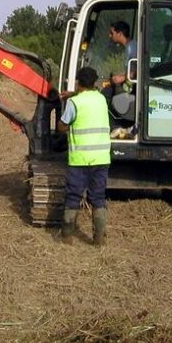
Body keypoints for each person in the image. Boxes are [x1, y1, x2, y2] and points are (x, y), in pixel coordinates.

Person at [57, 66, 111, 246]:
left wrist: (69, 100)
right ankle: (98, 240)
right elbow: (88, 97)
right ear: (94, 82)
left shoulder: (74, 103)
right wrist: (72, 94)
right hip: (101, 159)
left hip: (80, 159)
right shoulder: (102, 99)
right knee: (98, 198)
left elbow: (62, 126)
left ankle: (66, 237)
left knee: (73, 196)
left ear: (79, 82)